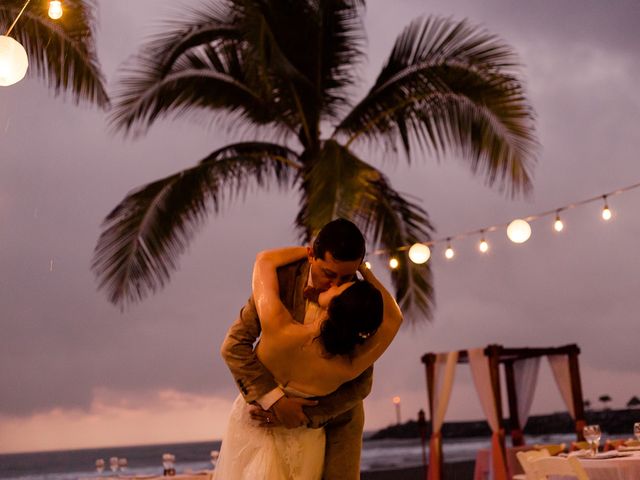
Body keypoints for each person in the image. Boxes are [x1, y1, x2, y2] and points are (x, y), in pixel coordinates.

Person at [217, 219, 402, 479]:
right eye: (329, 273)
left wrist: (303, 416)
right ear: (313, 255)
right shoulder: (284, 280)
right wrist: (275, 402)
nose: (334, 284)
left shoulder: (286, 324)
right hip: (263, 414)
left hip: (330, 426)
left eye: (346, 277)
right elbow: (234, 345)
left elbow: (360, 386)